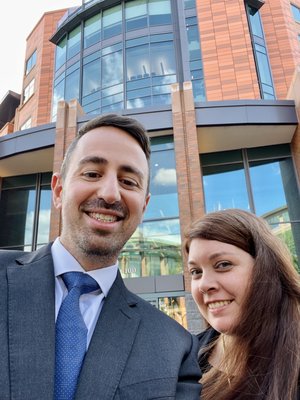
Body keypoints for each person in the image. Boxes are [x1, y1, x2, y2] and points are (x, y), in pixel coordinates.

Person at [0, 113, 202, 400]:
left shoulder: (176, 347)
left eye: (129, 182)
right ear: (58, 191)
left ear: (143, 207)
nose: (110, 194)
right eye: (92, 174)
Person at [184, 209, 300, 400]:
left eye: (223, 264)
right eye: (196, 271)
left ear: (267, 268)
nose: (204, 285)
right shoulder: (183, 357)